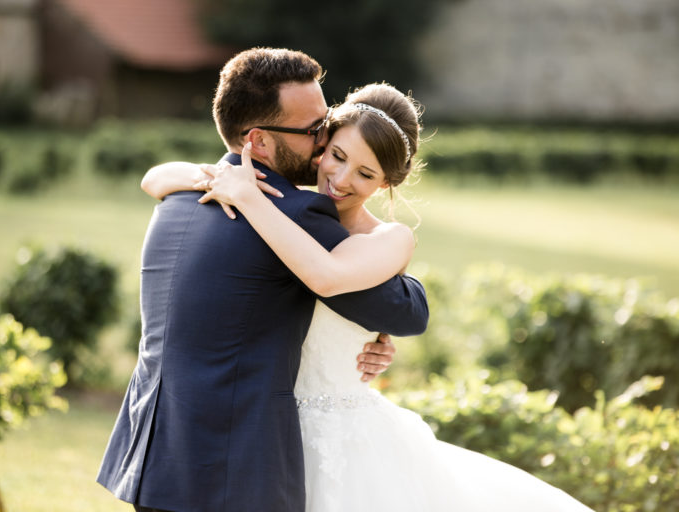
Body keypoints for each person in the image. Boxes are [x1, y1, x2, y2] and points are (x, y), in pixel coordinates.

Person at [145, 82, 595, 511]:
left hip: (341, 438)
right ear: (321, 145)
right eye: (336, 156)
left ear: (385, 183)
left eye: (364, 173)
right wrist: (210, 176)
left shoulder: (389, 239)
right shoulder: (285, 204)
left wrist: (249, 199)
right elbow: (155, 178)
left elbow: (327, 278)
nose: (339, 179)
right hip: (263, 432)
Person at [97, 48, 430, 512]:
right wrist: (401, 306)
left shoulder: (175, 200)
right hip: (235, 468)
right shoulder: (298, 212)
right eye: (318, 135)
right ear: (257, 139)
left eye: (324, 127)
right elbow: (401, 307)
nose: (321, 149)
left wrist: (368, 336)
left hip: (154, 458)